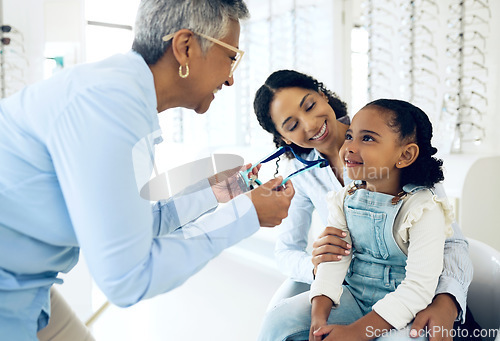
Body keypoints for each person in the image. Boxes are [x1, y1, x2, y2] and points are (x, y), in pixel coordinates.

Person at [0, 1, 295, 340]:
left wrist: (219, 193)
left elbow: (139, 227)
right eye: (231, 57)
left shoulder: (123, 96)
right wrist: (248, 214)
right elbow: (127, 278)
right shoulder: (109, 107)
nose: (230, 78)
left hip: (27, 287)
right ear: (185, 48)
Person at [253, 70, 475, 341]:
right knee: (281, 320)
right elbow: (288, 251)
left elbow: (450, 243)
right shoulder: (314, 181)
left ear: (323, 96)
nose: (310, 125)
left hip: (413, 293)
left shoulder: (392, 140)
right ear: (283, 138)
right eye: (291, 125)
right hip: (353, 290)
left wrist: (446, 300)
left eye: (310, 106)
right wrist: (318, 264)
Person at [307, 98, 453, 340]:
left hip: (406, 312)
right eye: (350, 136)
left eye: (367, 138)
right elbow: (334, 261)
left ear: (405, 155)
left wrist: (355, 332)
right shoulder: (344, 198)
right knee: (284, 319)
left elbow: (418, 289)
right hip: (353, 298)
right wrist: (318, 318)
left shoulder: (423, 209)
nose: (349, 148)